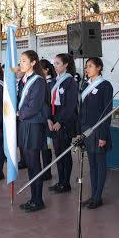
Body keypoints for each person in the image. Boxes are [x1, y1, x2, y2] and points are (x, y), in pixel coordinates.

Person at [79, 57, 113, 209]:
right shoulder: (85, 84)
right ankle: (93, 195)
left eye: (91, 66)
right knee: (91, 165)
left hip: (99, 130)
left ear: (99, 68)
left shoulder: (105, 85)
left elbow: (107, 112)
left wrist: (103, 136)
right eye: (86, 66)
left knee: (100, 164)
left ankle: (98, 197)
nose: (87, 69)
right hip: (87, 130)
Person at [17, 50, 48, 213]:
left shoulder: (38, 81)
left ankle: (38, 200)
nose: (20, 64)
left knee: (35, 163)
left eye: (23, 61)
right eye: (20, 61)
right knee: (29, 163)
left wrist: (19, 113)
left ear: (33, 63)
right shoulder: (24, 80)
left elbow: (34, 105)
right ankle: (33, 197)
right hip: (25, 124)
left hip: (34, 125)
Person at [48, 53, 78, 194]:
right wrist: (49, 119)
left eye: (58, 63)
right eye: (54, 63)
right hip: (54, 120)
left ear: (66, 65)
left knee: (64, 153)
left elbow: (71, 105)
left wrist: (60, 121)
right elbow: (49, 102)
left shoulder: (70, 81)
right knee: (57, 152)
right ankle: (60, 181)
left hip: (64, 122)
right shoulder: (54, 81)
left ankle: (66, 183)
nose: (55, 66)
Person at [40, 59, 56, 181]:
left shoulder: (51, 83)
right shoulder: (42, 82)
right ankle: (45, 170)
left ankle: (47, 171)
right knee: (43, 147)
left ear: (46, 70)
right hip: (41, 119)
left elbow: (49, 103)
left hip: (48, 118)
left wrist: (48, 118)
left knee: (47, 147)